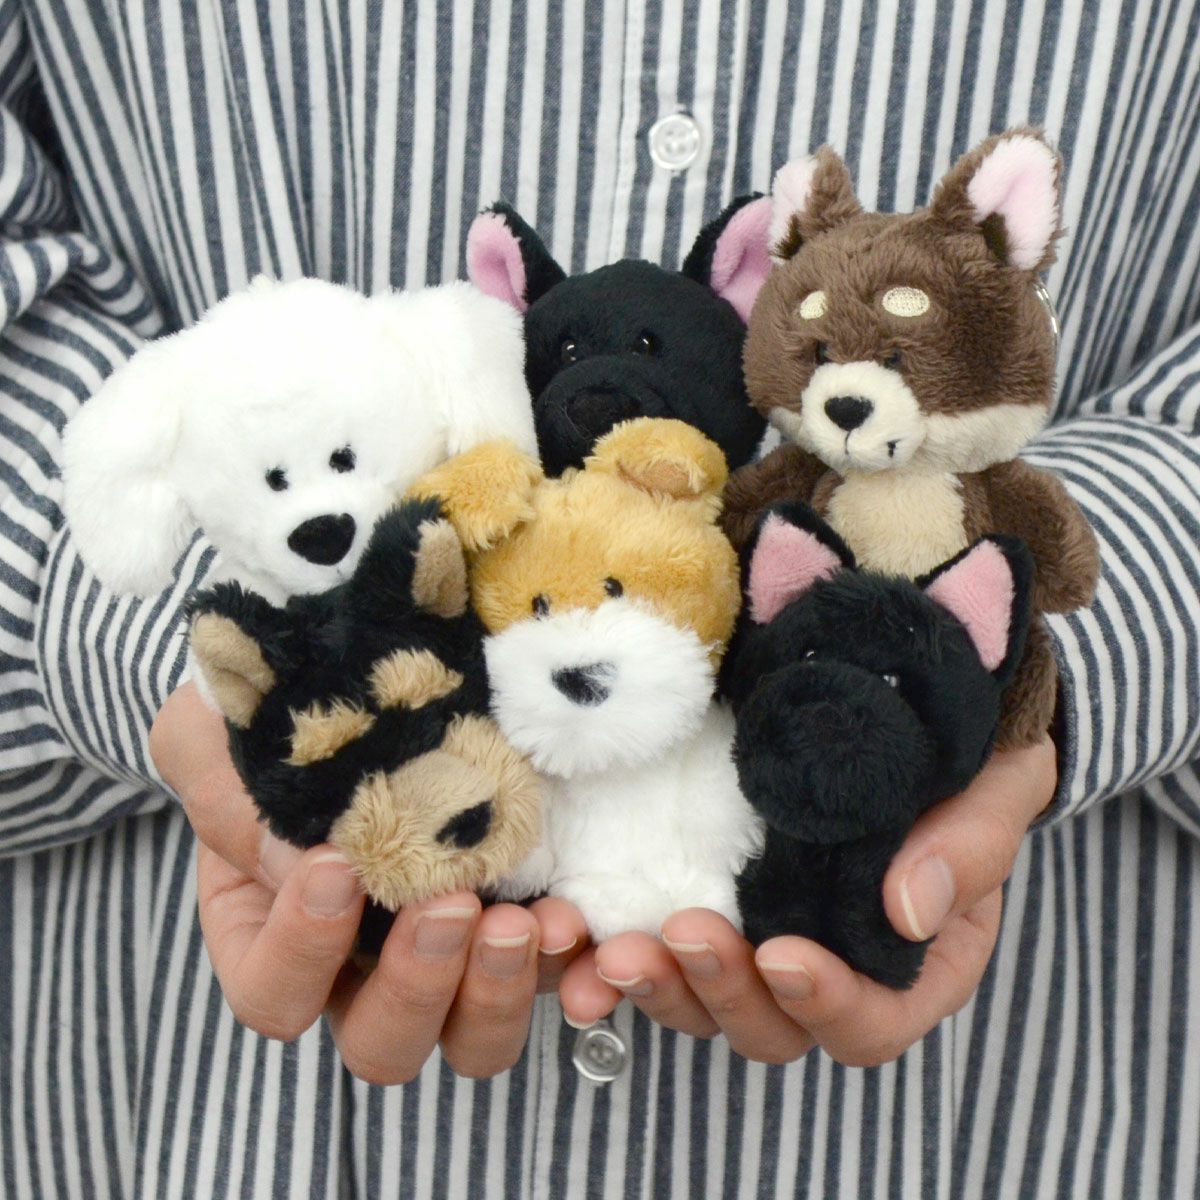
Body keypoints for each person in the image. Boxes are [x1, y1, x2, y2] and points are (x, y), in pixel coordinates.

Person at [1, 2, 1197, 1196]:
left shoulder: (766, 517)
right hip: (234, 1077)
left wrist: (1008, 678)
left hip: (997, 1079)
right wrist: (218, 647)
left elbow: (1068, 555)